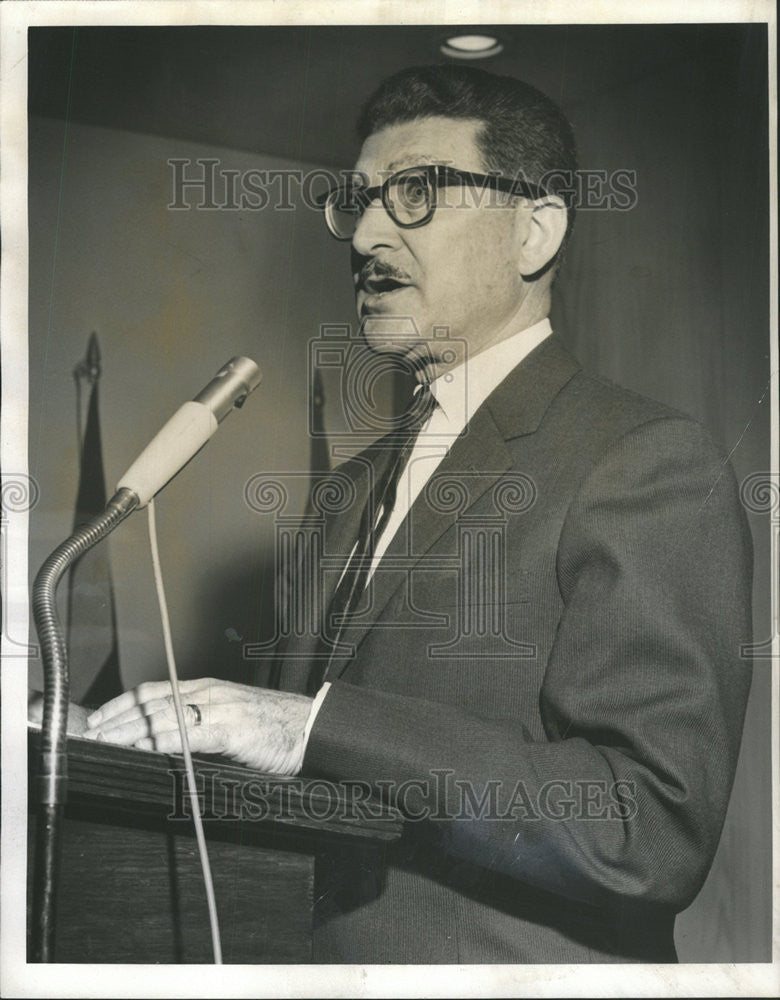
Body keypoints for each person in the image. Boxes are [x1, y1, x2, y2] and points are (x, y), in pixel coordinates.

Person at [83, 65, 753, 963]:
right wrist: (111, 744)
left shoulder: (643, 461)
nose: (363, 234)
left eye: (416, 194)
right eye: (356, 201)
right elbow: (282, 778)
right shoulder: (350, 491)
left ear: (535, 231)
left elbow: (648, 828)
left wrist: (310, 726)